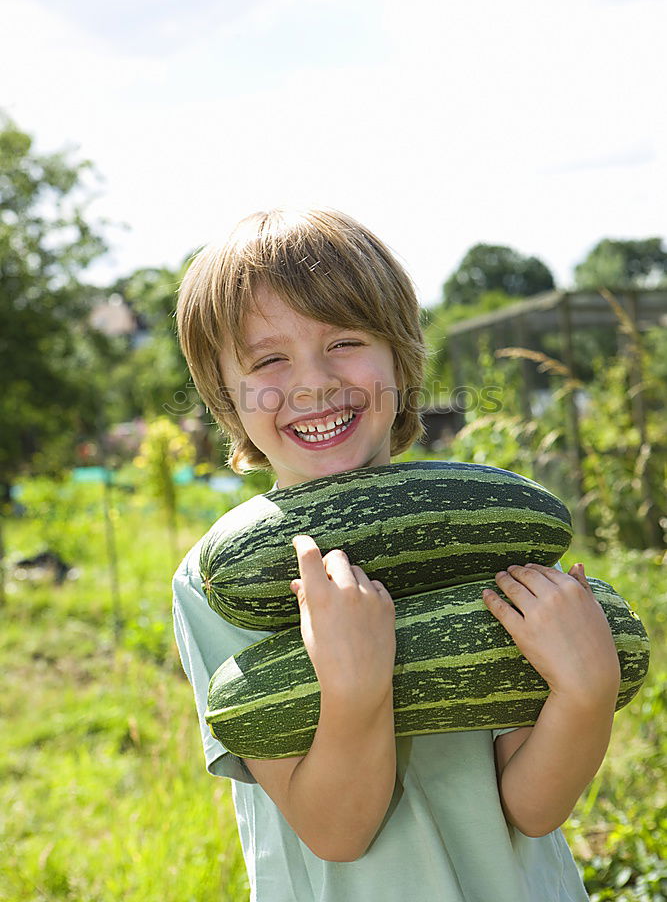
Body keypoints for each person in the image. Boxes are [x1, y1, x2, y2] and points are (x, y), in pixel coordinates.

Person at [172, 206, 621, 902]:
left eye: (344, 341)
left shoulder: (476, 526)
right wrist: (354, 689)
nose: (313, 382)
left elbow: (530, 807)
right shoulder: (223, 578)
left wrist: (585, 695)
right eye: (268, 359)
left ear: (400, 358)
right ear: (224, 396)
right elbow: (335, 834)